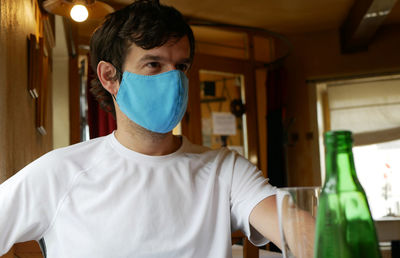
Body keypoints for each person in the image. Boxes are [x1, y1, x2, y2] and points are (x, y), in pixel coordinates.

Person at [0, 0, 281, 257]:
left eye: (181, 66)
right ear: (110, 77)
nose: (173, 80)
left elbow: (296, 229)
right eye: (153, 64)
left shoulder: (225, 169)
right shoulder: (61, 172)